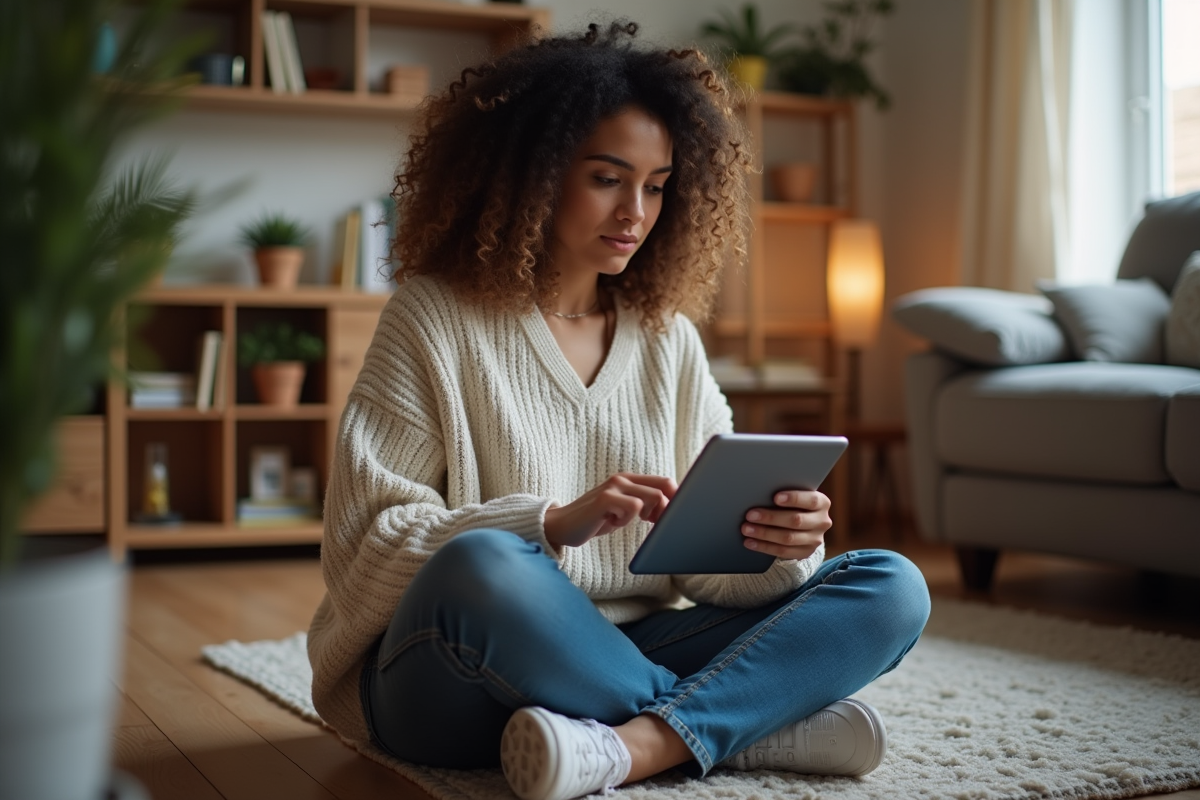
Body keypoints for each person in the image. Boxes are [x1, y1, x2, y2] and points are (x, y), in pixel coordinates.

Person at [307, 20, 930, 800]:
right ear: (531, 173)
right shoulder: (433, 318)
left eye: (658, 184)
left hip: (623, 645)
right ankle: (740, 731)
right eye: (607, 177)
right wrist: (549, 525)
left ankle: (637, 742)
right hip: (450, 680)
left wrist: (775, 543)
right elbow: (366, 546)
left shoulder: (668, 339)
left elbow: (713, 577)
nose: (635, 210)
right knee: (485, 564)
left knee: (891, 584)